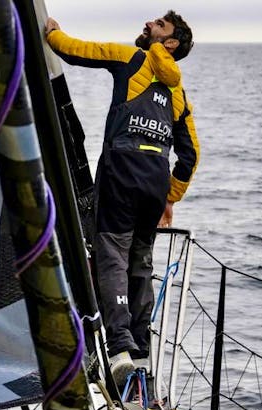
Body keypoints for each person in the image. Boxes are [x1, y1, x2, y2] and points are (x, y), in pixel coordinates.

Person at [44, 12, 200, 389]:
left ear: (171, 43)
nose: (149, 23)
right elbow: (191, 155)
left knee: (112, 252)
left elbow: (76, 51)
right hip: (154, 180)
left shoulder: (132, 59)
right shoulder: (179, 96)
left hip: (121, 169)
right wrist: (170, 197)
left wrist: (51, 31)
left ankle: (118, 349)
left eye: (159, 24)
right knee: (140, 259)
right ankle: (141, 347)